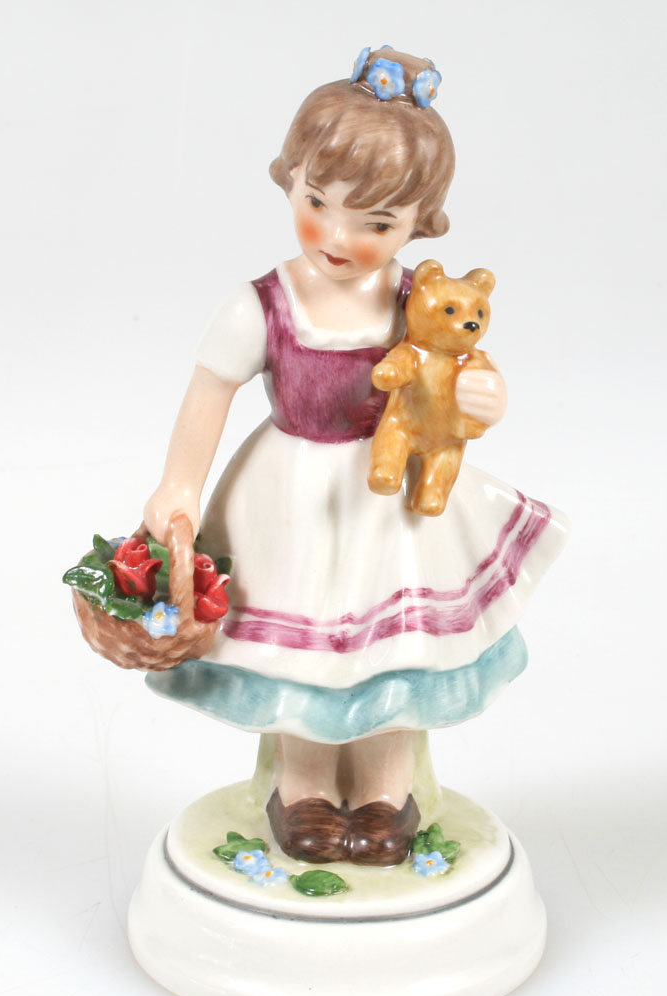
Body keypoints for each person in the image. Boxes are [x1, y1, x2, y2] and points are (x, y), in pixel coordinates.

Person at [143, 46, 567, 867]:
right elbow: (208, 395)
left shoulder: (419, 303)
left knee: (395, 651)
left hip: (394, 500)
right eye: (318, 205)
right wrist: (179, 485)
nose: (338, 238)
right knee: (299, 656)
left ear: (421, 225)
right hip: (289, 497)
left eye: (375, 224)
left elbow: (463, 373)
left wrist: (485, 398)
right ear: (290, 181)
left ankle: (382, 792)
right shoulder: (262, 305)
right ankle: (303, 790)